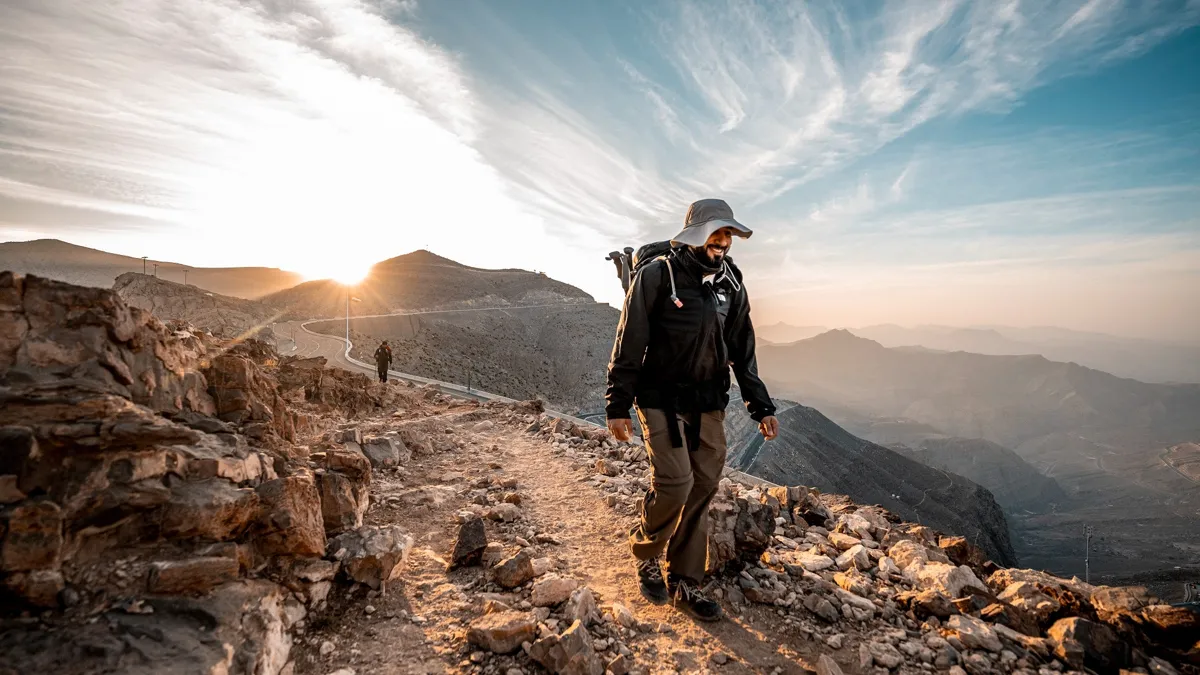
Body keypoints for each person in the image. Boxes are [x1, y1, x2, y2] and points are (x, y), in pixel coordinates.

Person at [606, 198, 779, 622]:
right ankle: (646, 550)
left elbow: (742, 349)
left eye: (728, 234)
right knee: (676, 484)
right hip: (658, 397)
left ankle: (684, 579)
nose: (723, 241)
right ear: (694, 233)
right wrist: (618, 404)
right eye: (716, 232)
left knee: (703, 486)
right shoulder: (656, 275)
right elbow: (630, 343)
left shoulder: (731, 283)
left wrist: (760, 404)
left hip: (708, 402)